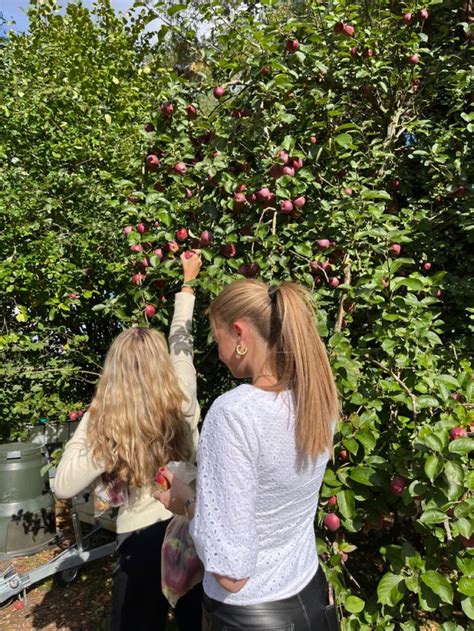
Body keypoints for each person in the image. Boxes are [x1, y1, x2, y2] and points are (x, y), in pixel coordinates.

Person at [156, 279, 340, 630]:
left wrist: (188, 503)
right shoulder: (318, 399)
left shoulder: (234, 413)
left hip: (250, 612)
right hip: (310, 593)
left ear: (239, 334)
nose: (220, 352)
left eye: (218, 338)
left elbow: (231, 571)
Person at [54, 251, 204, 631]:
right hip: (191, 525)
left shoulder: (108, 424)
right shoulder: (182, 391)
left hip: (138, 540)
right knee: (196, 621)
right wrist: (187, 284)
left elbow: (63, 484)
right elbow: (181, 340)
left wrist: (93, 416)